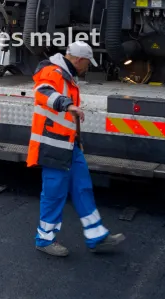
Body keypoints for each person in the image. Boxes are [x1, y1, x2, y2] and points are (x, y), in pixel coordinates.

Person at [29, 41, 125, 257]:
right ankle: (44, 240)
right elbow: (42, 92)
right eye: (87, 64)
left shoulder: (66, 75)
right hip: (53, 145)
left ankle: (97, 237)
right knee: (54, 193)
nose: (87, 68)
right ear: (79, 60)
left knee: (83, 188)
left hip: (69, 144)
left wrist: (77, 138)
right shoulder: (52, 72)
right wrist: (67, 104)